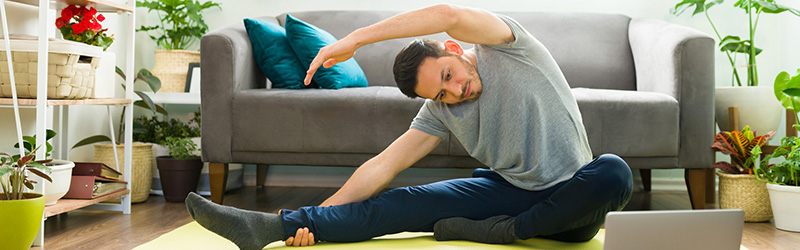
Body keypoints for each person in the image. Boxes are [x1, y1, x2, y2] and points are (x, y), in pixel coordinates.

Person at [186, 4, 633, 249]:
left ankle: (504, 231)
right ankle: (268, 228)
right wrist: (320, 217)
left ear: (455, 50)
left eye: (447, 77)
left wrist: (356, 39)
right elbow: (381, 167)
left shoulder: (512, 49)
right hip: (508, 192)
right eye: (440, 94)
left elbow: (448, 13)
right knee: (402, 202)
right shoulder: (440, 110)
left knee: (613, 170)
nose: (454, 92)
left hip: (571, 202)